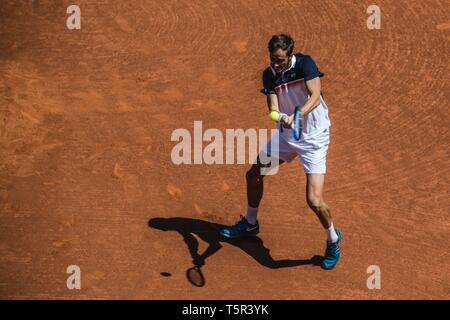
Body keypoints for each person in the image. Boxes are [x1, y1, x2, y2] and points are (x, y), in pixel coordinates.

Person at [220, 34, 342, 270]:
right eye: (273, 59)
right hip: (287, 137)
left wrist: (298, 114)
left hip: (314, 139)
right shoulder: (269, 75)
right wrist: (281, 117)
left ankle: (333, 239)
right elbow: (273, 109)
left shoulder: (305, 64)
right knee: (254, 175)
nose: (276, 64)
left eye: (280, 60)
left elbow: (315, 96)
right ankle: (250, 222)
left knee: (314, 201)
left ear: (290, 54)